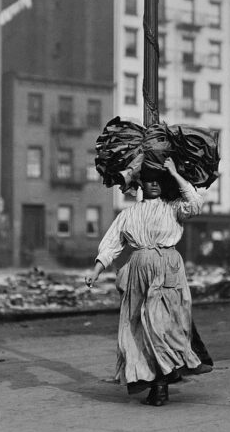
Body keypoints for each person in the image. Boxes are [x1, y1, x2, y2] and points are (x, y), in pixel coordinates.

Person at [85, 157, 211, 406]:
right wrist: (96, 270)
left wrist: (174, 172)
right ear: (141, 184)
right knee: (139, 328)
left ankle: (162, 382)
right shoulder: (129, 214)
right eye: (149, 181)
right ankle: (158, 382)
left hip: (168, 269)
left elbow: (196, 204)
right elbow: (112, 244)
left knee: (162, 325)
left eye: (158, 181)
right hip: (139, 271)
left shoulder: (173, 207)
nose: (153, 185)